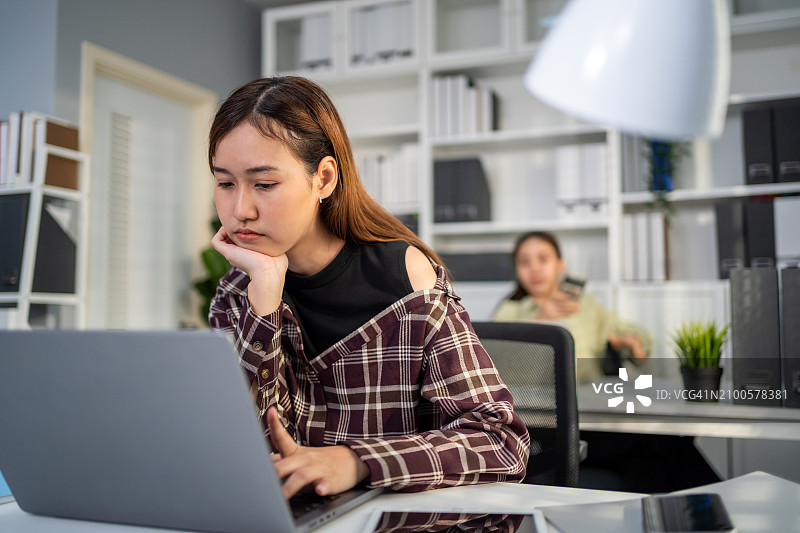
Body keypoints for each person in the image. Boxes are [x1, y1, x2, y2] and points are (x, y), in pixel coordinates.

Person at [207, 76, 530, 501]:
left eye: (264, 184)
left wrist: (357, 460)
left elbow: (501, 443)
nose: (240, 210)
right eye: (225, 183)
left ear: (323, 179)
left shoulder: (406, 277)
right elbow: (238, 447)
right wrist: (264, 299)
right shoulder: (238, 289)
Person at [492, 231, 652, 384]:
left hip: (586, 400)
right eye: (524, 262)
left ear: (560, 265)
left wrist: (633, 342)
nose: (535, 269)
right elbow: (493, 366)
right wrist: (539, 320)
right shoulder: (507, 311)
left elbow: (634, 336)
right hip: (528, 403)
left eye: (543, 259)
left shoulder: (586, 305)